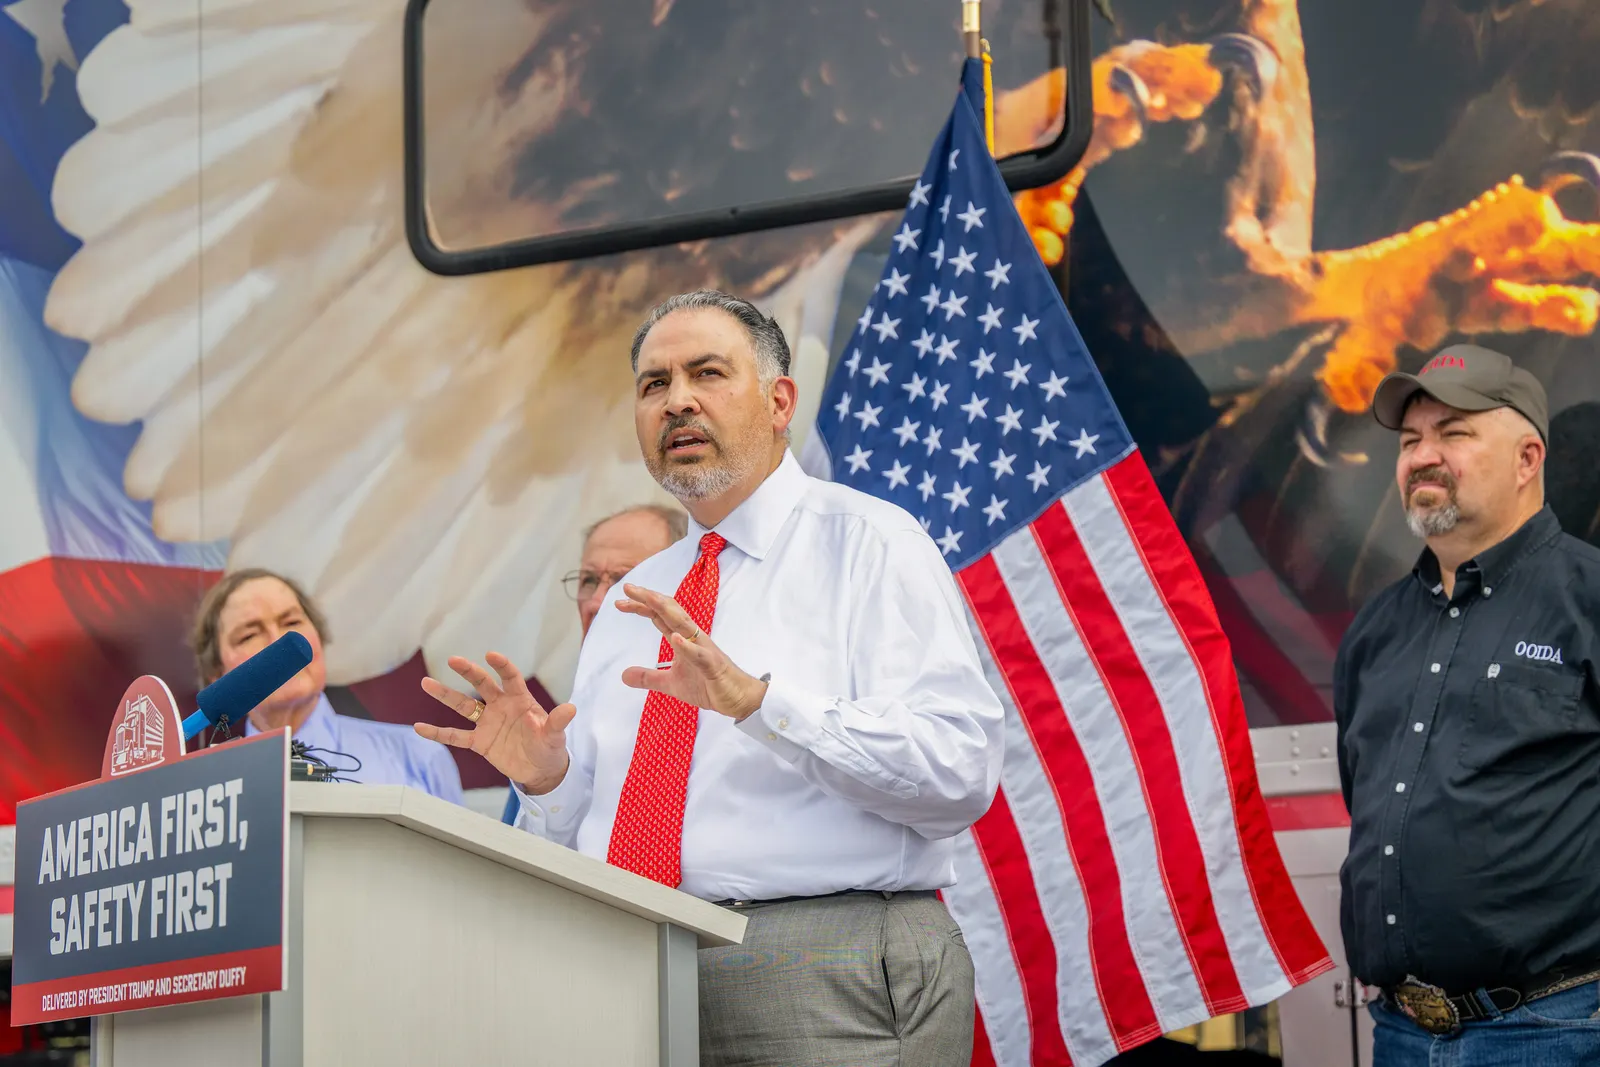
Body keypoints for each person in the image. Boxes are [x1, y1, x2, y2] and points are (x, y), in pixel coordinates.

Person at [416, 289, 1004, 1066]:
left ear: (780, 400)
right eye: (654, 384)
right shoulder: (636, 598)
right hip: (629, 968)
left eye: (707, 373)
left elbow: (959, 773)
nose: (678, 400)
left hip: (823, 963)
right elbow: (593, 828)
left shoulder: (870, 545)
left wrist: (760, 704)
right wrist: (549, 781)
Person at [1336, 342, 1600, 1064]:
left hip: (1557, 1030)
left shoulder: (1589, 600)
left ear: (1527, 459)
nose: (1424, 454)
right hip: (1397, 1034)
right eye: (1412, 438)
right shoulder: (1372, 633)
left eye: (1454, 432)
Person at [192, 568, 464, 804]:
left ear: (319, 641)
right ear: (217, 676)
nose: (279, 642)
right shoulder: (201, 791)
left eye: (292, 622)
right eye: (249, 634)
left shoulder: (418, 756)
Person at [499, 504, 687, 823]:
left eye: (625, 580)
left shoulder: (710, 716)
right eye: (589, 580)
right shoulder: (558, 734)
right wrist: (545, 783)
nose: (597, 602)